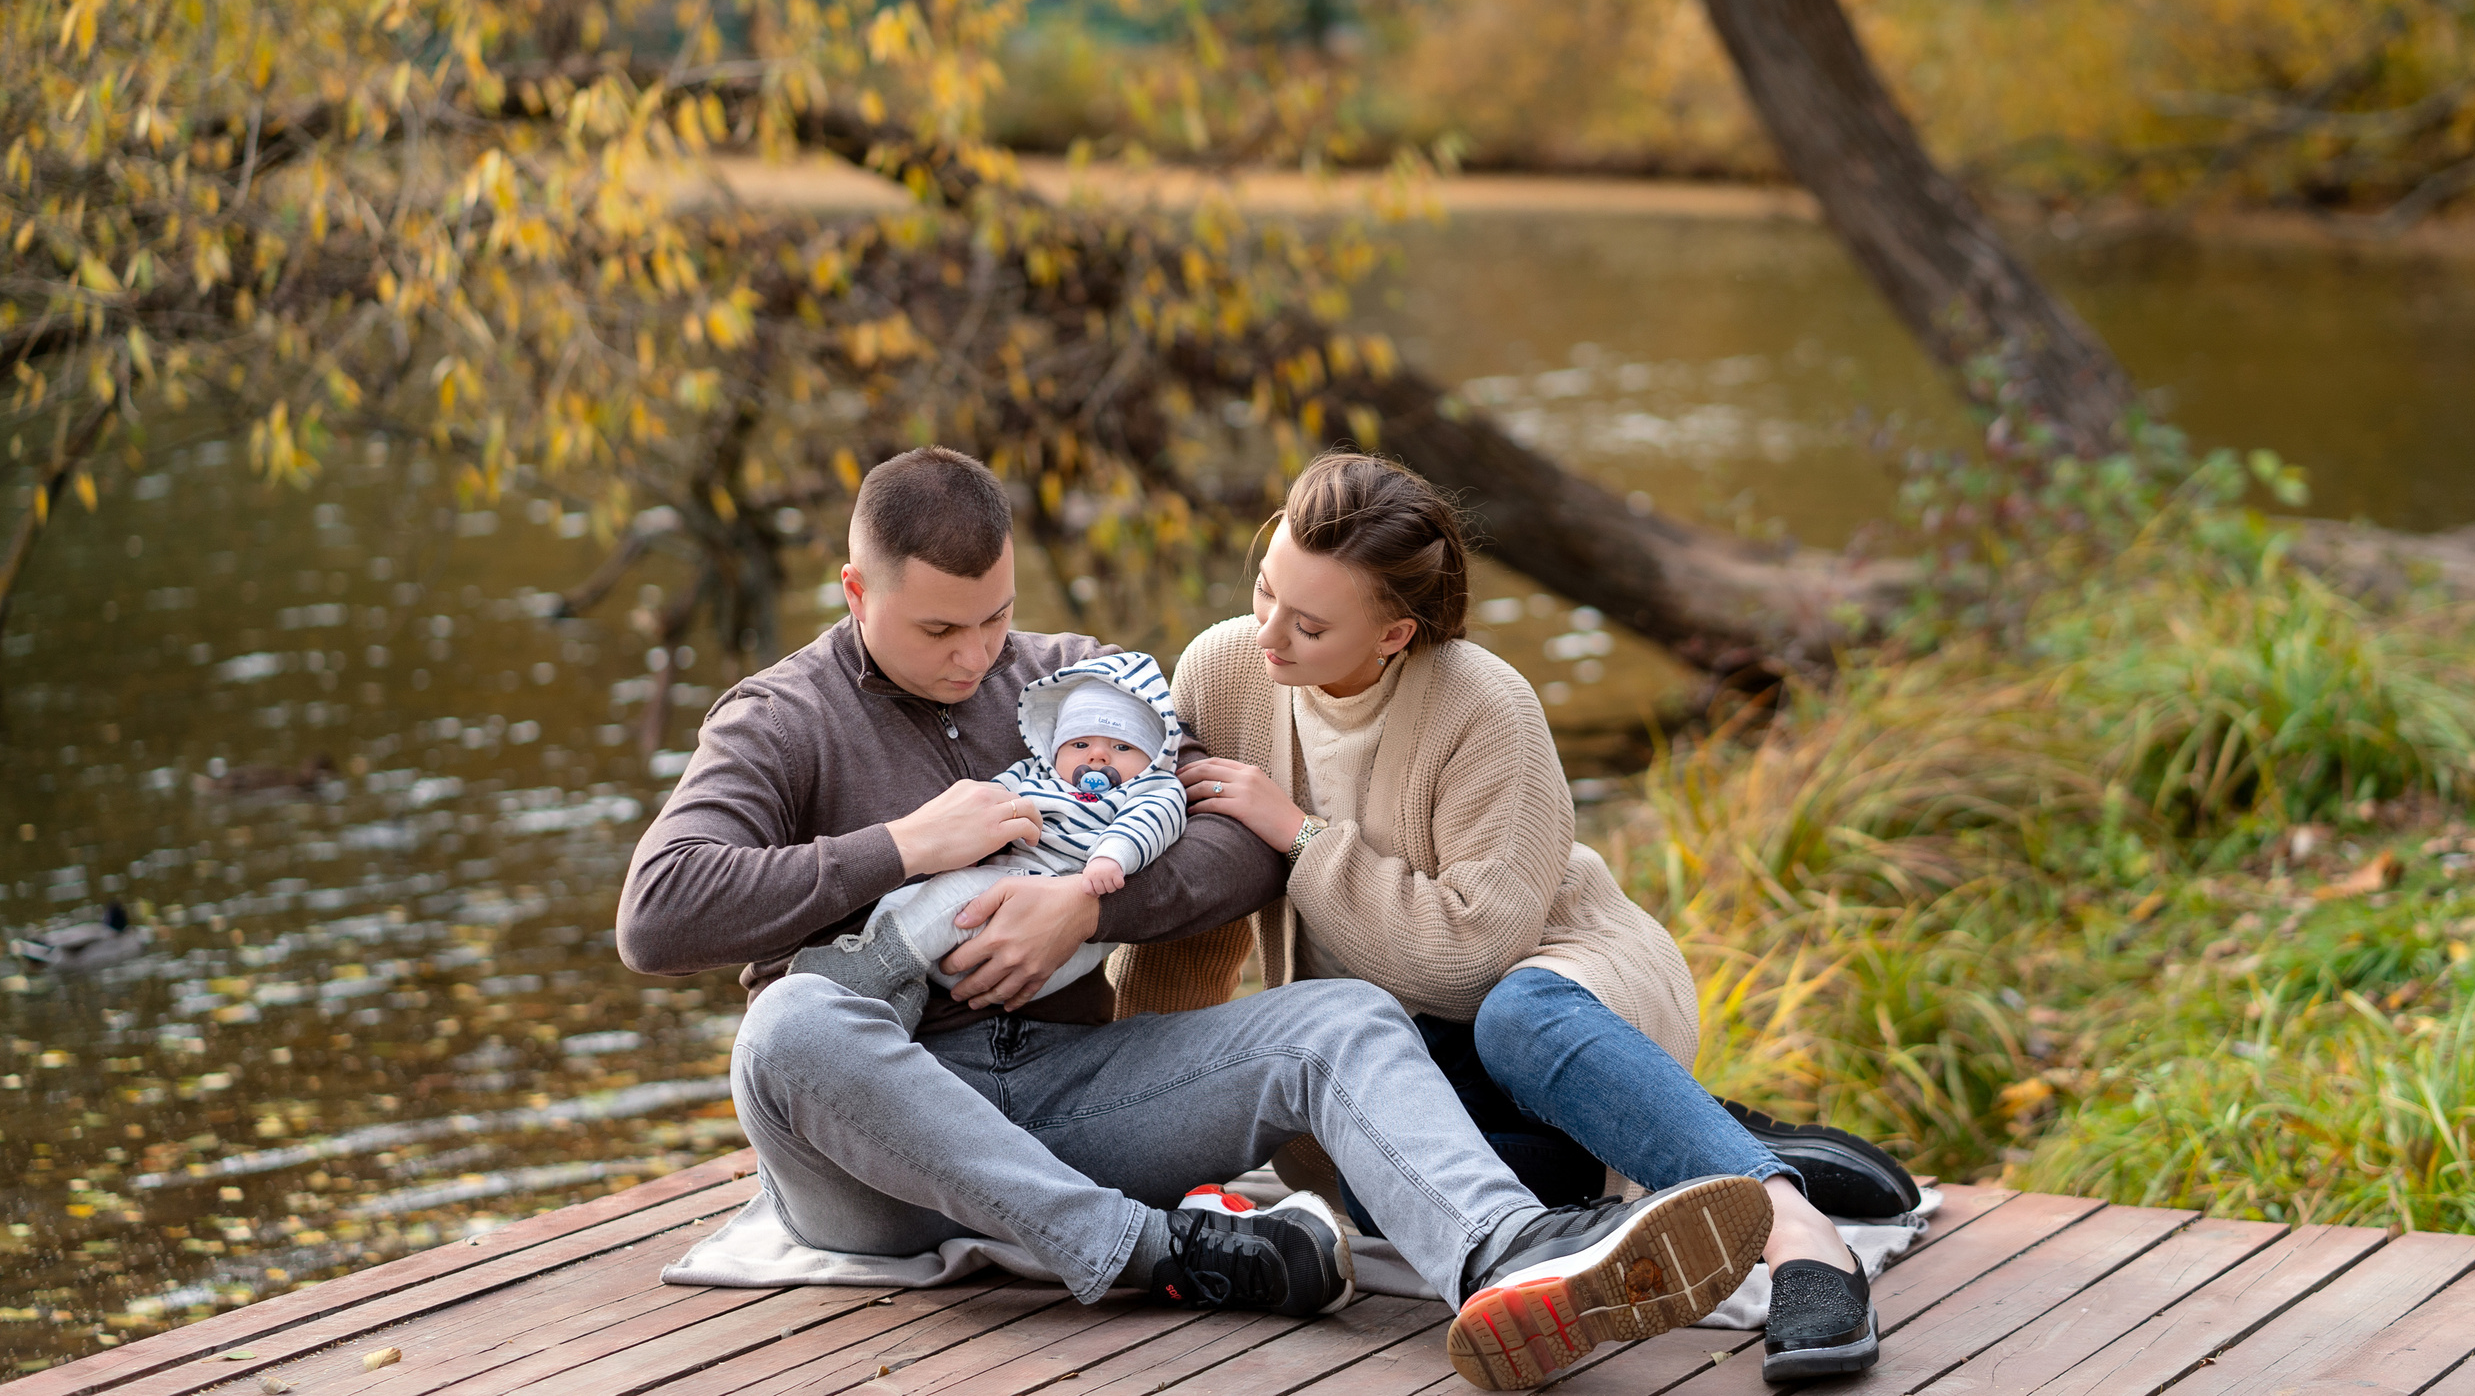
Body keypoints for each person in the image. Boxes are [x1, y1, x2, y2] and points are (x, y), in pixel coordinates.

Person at [615, 446, 1773, 1392]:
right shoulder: (779, 719)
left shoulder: (1077, 681)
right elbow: (657, 916)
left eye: (995, 618)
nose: (977, 658)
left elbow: (1228, 843)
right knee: (789, 1029)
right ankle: (1154, 1252)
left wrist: (1082, 905)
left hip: (1062, 1089)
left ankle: (1508, 1253)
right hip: (876, 1163)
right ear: (856, 591)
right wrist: (903, 849)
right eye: (937, 633)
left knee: (1340, 1020)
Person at [1154, 452, 1904, 1384]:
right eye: (1265, 590)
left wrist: (1300, 835)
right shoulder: (1222, 673)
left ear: (1394, 633)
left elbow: (1472, 959)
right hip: (1401, 1051)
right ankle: (1662, 1134)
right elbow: (1191, 905)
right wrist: (1149, 1101)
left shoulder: (1485, 705)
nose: (1268, 635)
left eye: (1308, 623)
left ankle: (1799, 1235)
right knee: (1373, 1186)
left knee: (1516, 1017)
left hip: (1553, 985)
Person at [802, 653, 1191, 1032]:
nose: (1098, 757)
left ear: (1154, 756)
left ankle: (873, 967)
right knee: (901, 899)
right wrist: (974, 836)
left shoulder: (1152, 789)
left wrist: (1111, 857)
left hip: (1061, 916)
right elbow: (991, 799)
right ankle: (901, 998)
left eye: (1122, 747)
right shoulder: (1038, 775)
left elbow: (1148, 823)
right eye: (1080, 744)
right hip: (988, 906)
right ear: (1056, 748)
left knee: (955, 893)